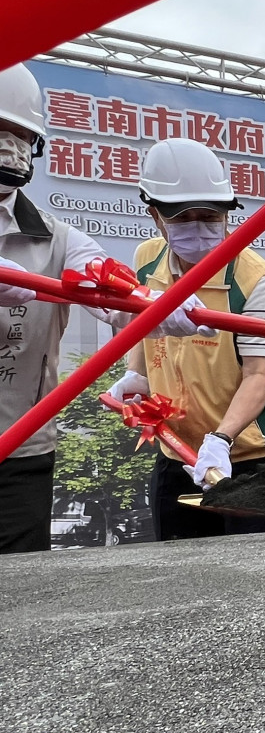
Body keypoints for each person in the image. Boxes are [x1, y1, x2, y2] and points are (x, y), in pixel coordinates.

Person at [0, 65, 201, 554]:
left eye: (21, 135)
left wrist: (154, 307)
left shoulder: (57, 238)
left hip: (20, 451)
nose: (10, 147)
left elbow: (107, 288)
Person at [105, 137, 265, 541]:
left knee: (252, 579)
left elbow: (259, 374)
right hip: (176, 449)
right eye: (182, 217)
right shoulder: (147, 260)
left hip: (248, 457)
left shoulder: (252, 279)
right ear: (156, 215)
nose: (198, 227)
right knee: (178, 571)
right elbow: (144, 328)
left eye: (209, 216)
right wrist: (136, 374)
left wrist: (221, 439)